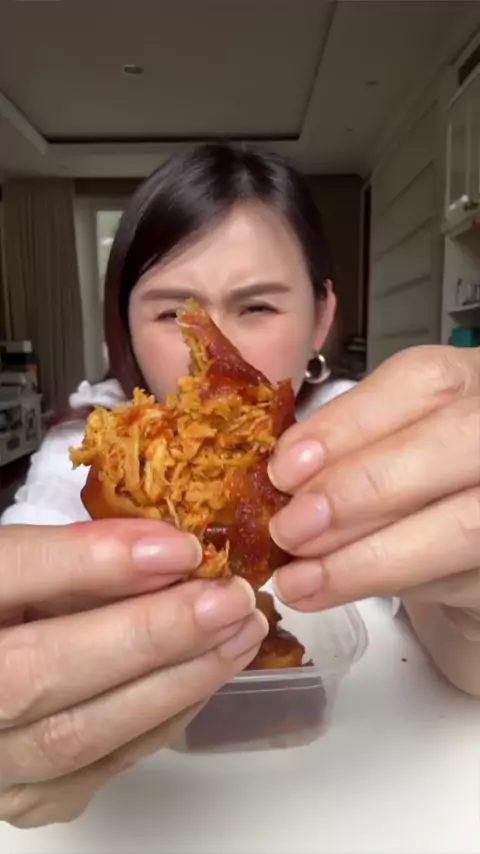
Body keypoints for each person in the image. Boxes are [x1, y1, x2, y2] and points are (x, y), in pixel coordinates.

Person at [0, 143, 478, 828]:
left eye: (255, 306)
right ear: (125, 325)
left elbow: (455, 642)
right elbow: (29, 562)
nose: (214, 346)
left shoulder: (373, 433)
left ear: (321, 316)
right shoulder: (86, 451)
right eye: (172, 314)